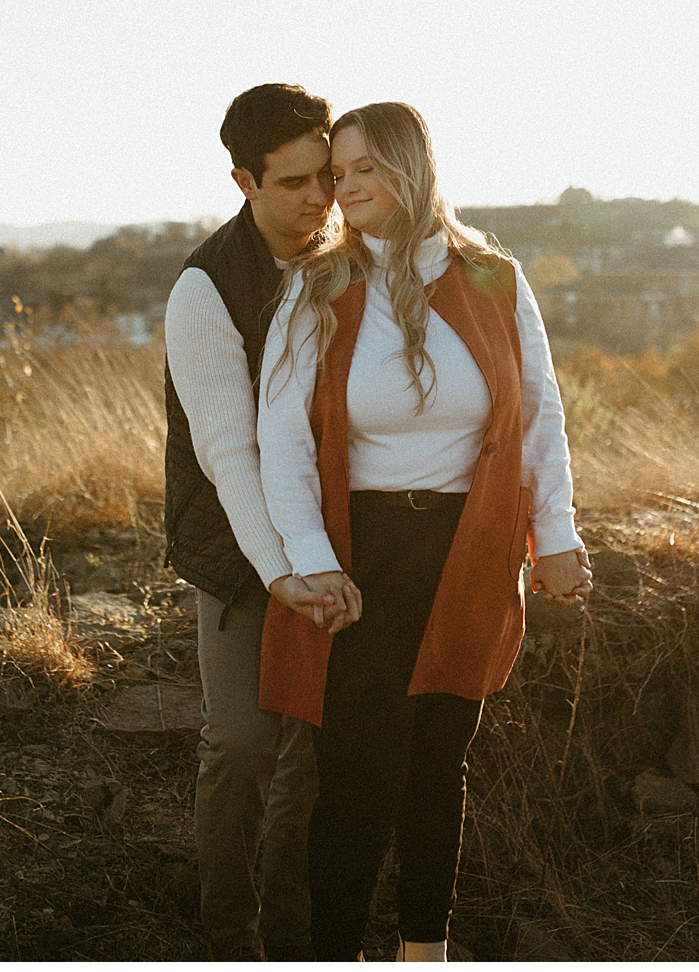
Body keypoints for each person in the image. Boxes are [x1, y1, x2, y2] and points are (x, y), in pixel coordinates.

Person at [254, 102, 592, 961]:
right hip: (362, 554)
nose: (346, 186)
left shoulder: (493, 278)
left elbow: (538, 416)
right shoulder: (318, 284)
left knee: (442, 764)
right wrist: (314, 562)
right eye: (339, 172)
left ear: (412, 169)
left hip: (469, 549)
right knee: (359, 774)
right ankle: (335, 951)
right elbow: (284, 437)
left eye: (366, 168)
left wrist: (555, 532)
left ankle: (423, 951)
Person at [162, 82, 363, 961]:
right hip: (240, 549)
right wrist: (280, 570)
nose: (319, 198)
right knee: (243, 742)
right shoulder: (206, 288)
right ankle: (226, 935)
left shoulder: (359, 259)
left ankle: (297, 937)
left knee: (313, 753)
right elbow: (228, 453)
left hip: (347, 538)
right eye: (294, 183)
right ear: (244, 180)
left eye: (326, 174)